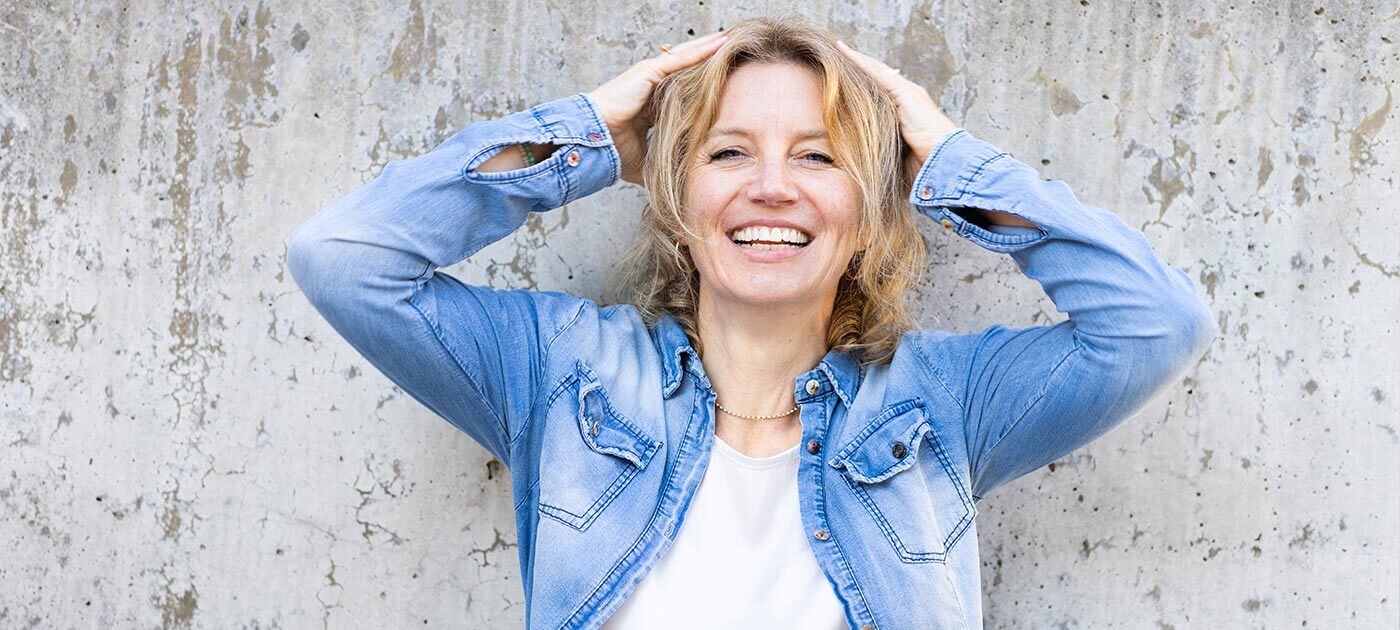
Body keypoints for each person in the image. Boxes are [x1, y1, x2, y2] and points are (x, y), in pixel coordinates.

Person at [288, 16, 1218, 630]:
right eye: (729, 152)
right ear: (676, 201)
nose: (771, 186)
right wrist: (588, 137)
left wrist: (947, 162)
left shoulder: (944, 404)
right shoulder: (560, 372)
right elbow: (344, 258)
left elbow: (1157, 324)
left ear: (870, 215)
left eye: (818, 158)